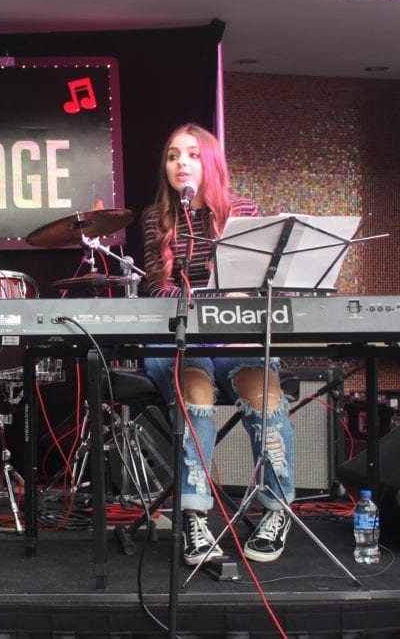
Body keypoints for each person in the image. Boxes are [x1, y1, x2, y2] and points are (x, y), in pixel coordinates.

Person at [141, 123, 294, 566]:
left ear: (210, 162)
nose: (181, 163)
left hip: (234, 337)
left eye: (192, 154)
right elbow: (156, 289)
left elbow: (266, 285)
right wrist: (212, 296)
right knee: (195, 393)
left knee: (264, 397)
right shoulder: (156, 218)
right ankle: (194, 515)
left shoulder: (242, 211)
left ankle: (277, 508)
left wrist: (235, 296)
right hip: (180, 338)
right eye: (173, 155)